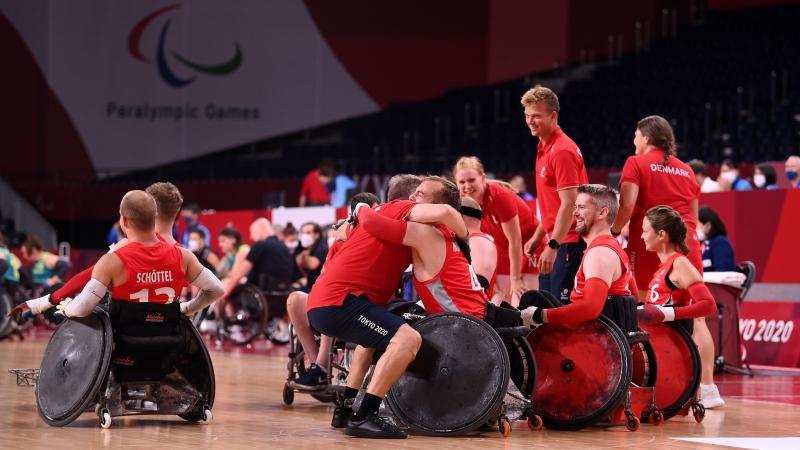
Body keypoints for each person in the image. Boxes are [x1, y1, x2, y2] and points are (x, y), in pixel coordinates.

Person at [306, 175, 468, 438]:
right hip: (342, 301)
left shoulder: (380, 218)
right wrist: (466, 238)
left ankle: (345, 411)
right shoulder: (401, 210)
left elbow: (339, 231)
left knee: (371, 339)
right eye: (416, 194)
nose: (417, 198)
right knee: (407, 340)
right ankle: (364, 416)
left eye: (421, 194)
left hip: (328, 302)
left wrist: (361, 214)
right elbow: (447, 211)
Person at [609, 115, 719, 409]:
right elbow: (693, 216)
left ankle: (657, 383)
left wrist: (613, 232)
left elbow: (628, 205)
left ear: (646, 137)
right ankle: (708, 389)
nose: (634, 141)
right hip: (687, 241)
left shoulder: (635, 162)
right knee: (697, 317)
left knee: (645, 308)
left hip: (651, 241)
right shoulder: (685, 170)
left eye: (635, 135)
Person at [11, 182, 188, 317]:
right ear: (177, 211)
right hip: (166, 331)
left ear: (150, 209)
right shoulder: (183, 255)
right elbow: (211, 290)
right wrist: (188, 308)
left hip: (125, 330)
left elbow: (88, 276)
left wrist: (42, 303)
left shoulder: (126, 247)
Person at [52, 190, 223, 320]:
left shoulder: (112, 261)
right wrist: (188, 309)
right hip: (167, 342)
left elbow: (82, 308)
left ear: (124, 221)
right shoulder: (184, 256)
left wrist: (67, 308)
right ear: (154, 218)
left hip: (123, 344)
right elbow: (217, 289)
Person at [357, 176, 487, 319]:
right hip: (474, 319)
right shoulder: (445, 232)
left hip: (467, 328)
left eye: (419, 194)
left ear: (437, 206)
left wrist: (360, 208)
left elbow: (372, 224)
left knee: (387, 332)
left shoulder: (426, 234)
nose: (411, 197)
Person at [287, 192, 380, 391]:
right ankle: (317, 368)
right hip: (331, 296)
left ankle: (320, 366)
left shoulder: (378, 237)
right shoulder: (341, 237)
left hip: (356, 301)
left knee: (332, 299)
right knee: (295, 299)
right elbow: (323, 272)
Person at [636, 205, 722, 408]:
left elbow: (708, 305)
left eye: (645, 231)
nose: (641, 236)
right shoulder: (663, 266)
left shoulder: (680, 264)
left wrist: (670, 313)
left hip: (670, 345)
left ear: (661, 235)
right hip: (657, 342)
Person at [519, 184, 637, 327]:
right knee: (533, 298)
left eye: (581, 207)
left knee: (527, 308)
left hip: (587, 339)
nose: (574, 213)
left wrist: (540, 315)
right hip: (595, 333)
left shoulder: (599, 253)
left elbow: (590, 309)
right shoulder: (613, 247)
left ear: (602, 213)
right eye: (575, 207)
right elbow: (633, 298)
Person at [520, 85, 589, 303]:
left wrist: (553, 246)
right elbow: (554, 205)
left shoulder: (561, 151)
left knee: (561, 311)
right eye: (527, 115)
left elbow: (569, 205)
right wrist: (540, 235)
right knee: (547, 308)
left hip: (567, 242)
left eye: (536, 116)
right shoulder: (545, 148)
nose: (530, 121)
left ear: (553, 116)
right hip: (558, 240)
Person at [453, 156, 537, 306]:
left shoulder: (499, 196)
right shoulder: (462, 204)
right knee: (500, 301)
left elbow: (515, 240)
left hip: (529, 244)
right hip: (503, 249)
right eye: (462, 182)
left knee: (524, 301)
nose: (467, 186)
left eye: (472, 180)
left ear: (483, 178)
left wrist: (515, 279)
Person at [459, 196, 497, 296]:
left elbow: (479, 286)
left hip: (466, 310)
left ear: (458, 215)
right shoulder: (471, 241)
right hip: (455, 308)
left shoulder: (478, 242)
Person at [698, 206, 735, 272]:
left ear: (708, 226)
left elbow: (723, 271)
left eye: (696, 225)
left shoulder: (720, 242)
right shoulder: (703, 244)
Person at [295, 222, 328, 292]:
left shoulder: (322, 248)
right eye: (303, 233)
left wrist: (305, 251)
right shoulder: (301, 247)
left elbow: (312, 265)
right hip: (309, 285)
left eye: (308, 233)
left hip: (321, 287)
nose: (304, 236)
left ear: (317, 235)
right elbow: (299, 262)